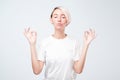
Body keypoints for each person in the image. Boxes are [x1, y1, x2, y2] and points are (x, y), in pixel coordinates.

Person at [24, 6, 96, 80]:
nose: (59, 19)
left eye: (63, 17)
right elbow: (37, 70)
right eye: (55, 16)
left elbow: (78, 70)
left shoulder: (74, 42)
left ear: (67, 21)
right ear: (51, 20)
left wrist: (86, 45)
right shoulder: (45, 42)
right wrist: (32, 45)